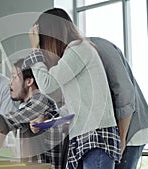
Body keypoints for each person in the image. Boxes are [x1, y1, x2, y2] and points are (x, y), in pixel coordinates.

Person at [25, 8, 121, 169]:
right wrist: (47, 119)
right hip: (85, 138)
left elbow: (47, 85)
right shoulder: (74, 53)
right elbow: (73, 108)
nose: (43, 48)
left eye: (42, 42)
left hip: (95, 139)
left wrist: (34, 50)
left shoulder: (79, 49)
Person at [89, 37, 148, 169]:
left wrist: (121, 138)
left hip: (129, 131)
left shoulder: (97, 46)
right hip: (113, 135)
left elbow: (125, 93)